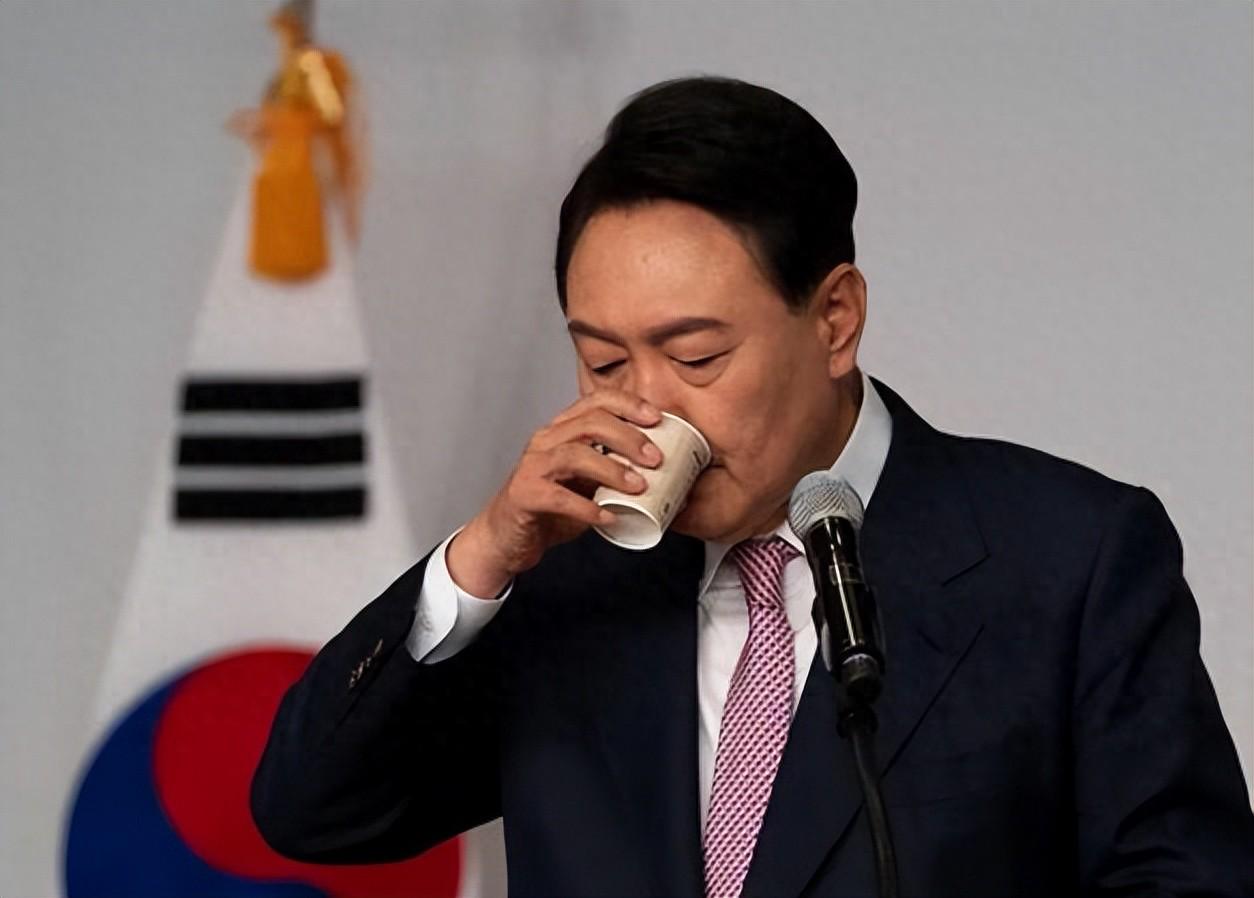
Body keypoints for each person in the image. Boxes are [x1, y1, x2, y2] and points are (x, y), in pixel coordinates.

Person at [251, 76, 1254, 896]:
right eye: (603, 363)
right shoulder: (564, 580)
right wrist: (479, 559)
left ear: (835, 320)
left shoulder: (1067, 559)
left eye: (695, 356)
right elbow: (313, 812)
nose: (647, 408)